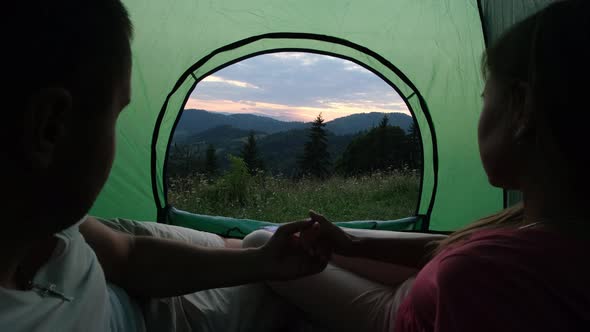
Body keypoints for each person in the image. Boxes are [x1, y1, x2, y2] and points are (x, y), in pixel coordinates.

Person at [244, 1, 590, 331]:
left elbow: (464, 265)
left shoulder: (480, 275)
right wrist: (350, 243)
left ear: (520, 108)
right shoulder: (544, 222)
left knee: (261, 241)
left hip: (396, 313)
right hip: (423, 285)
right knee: (284, 239)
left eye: (486, 98)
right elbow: (449, 247)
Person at [0, 1, 329, 331]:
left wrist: (260, 261)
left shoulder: (48, 217)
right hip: (163, 317)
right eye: (115, 117)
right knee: (296, 309)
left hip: (144, 278)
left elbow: (127, 256)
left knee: (247, 249)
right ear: (51, 127)